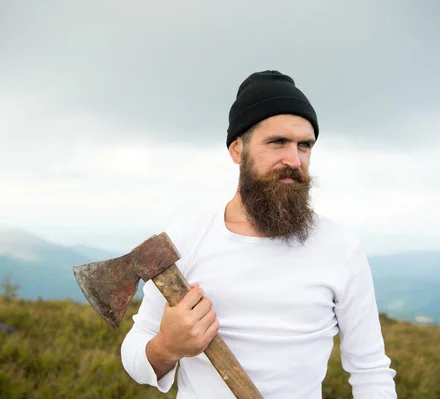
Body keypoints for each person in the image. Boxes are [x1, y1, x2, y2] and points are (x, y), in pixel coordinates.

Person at [120, 70, 397, 398]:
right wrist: (167, 347)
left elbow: (370, 371)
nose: (294, 159)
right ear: (237, 150)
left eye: (304, 146)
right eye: (278, 142)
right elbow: (135, 353)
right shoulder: (187, 236)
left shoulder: (340, 247)